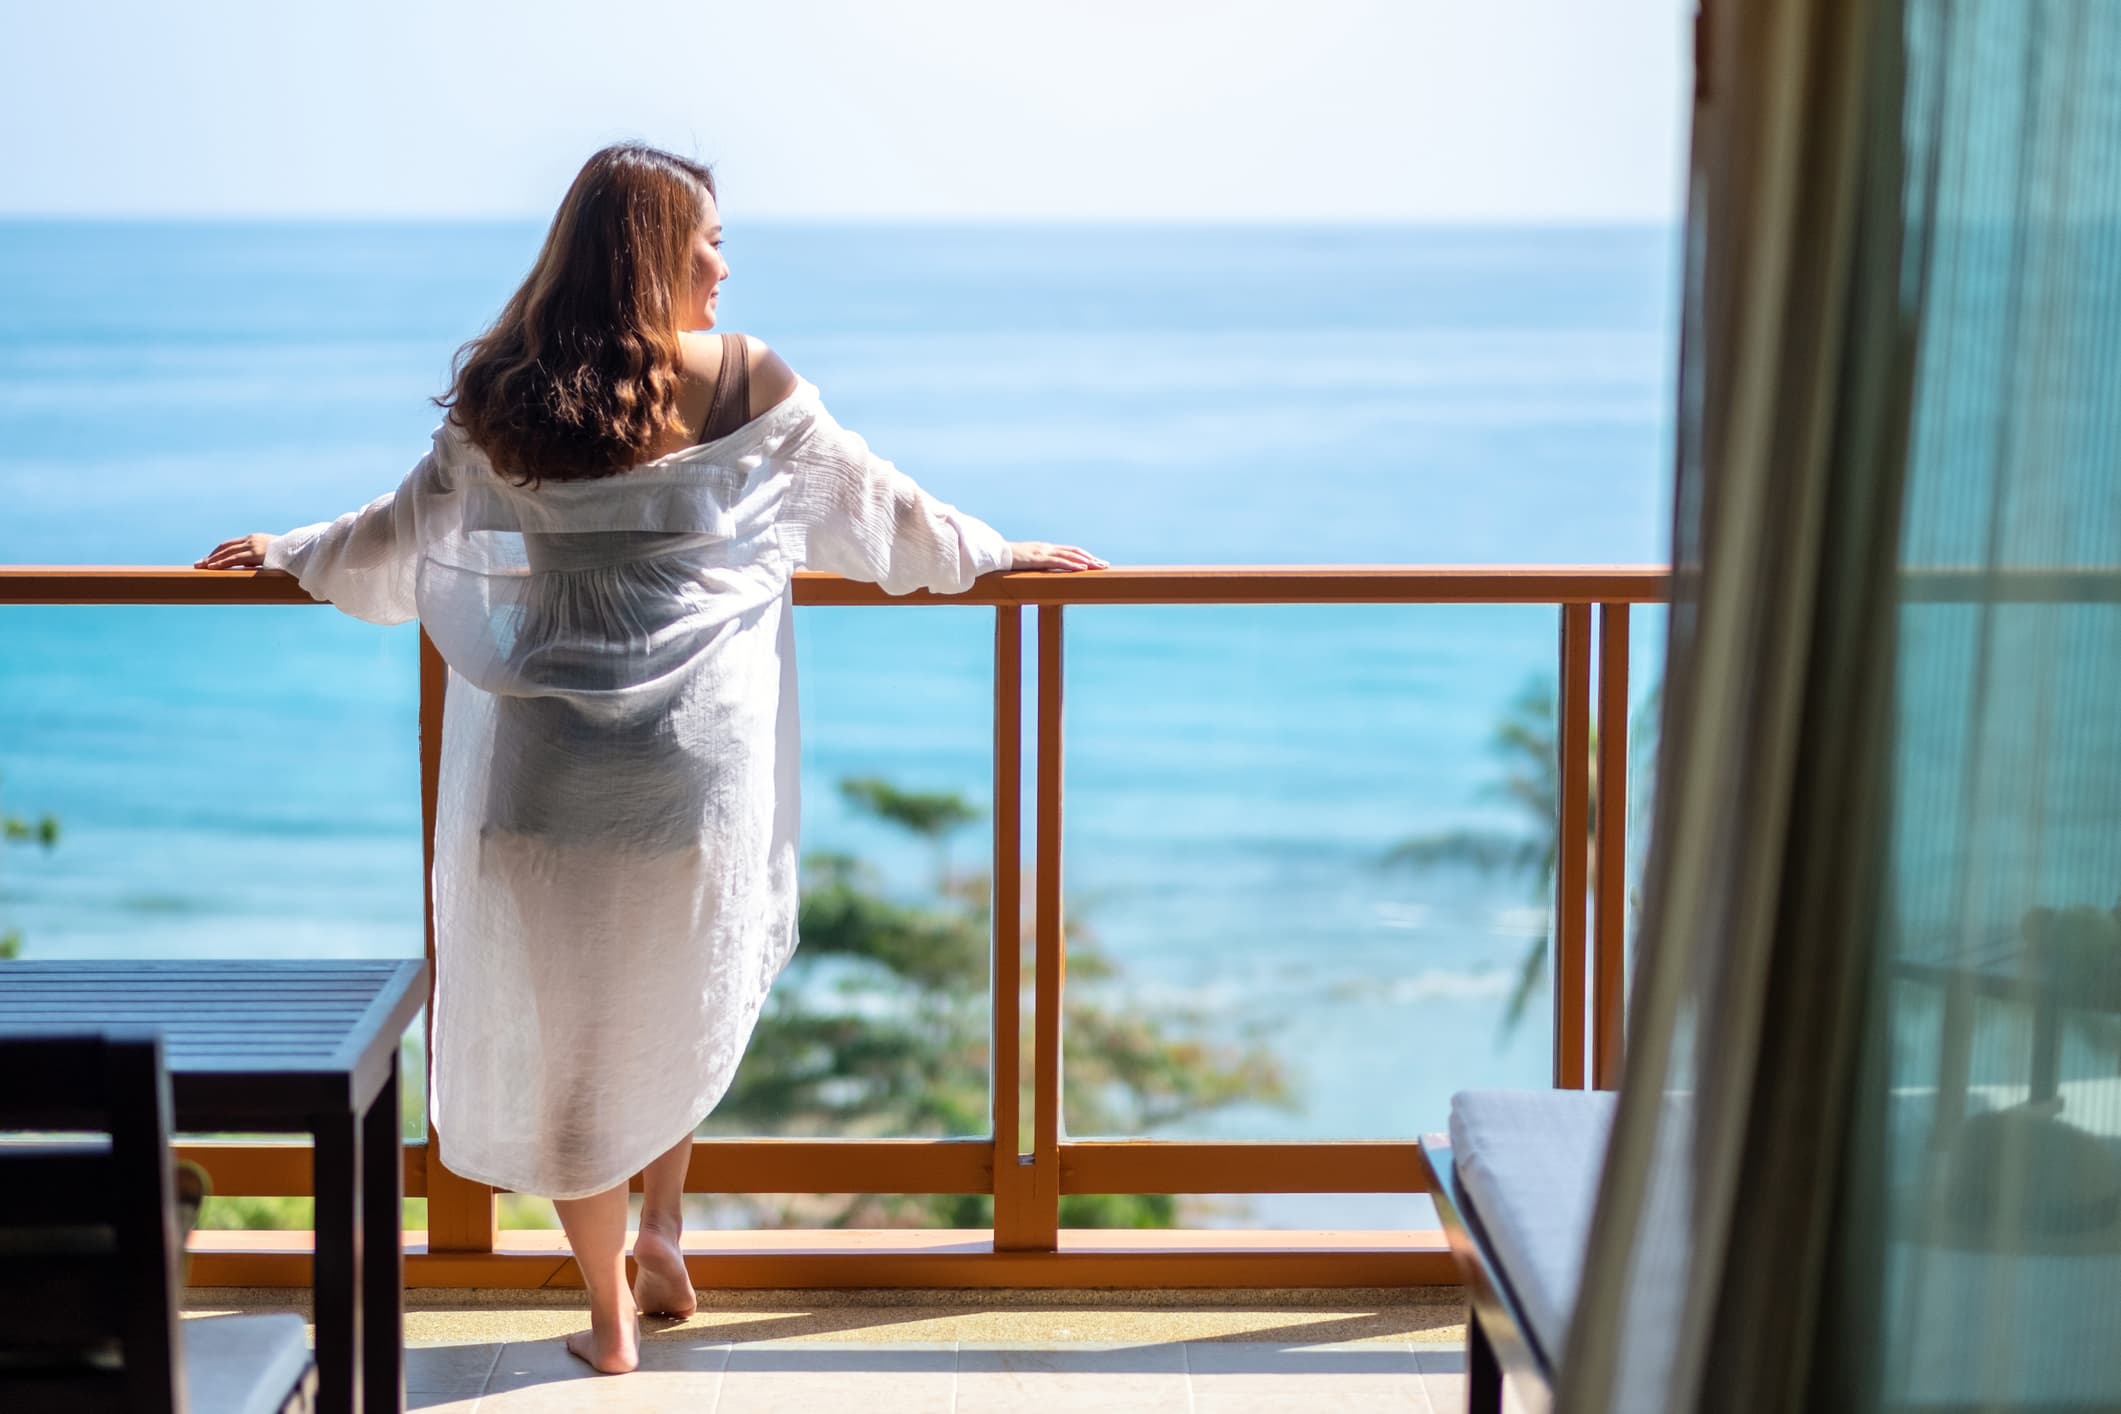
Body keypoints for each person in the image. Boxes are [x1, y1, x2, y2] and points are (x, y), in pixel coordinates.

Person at [196, 142, 1103, 1374]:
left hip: (540, 779)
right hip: (688, 778)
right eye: (705, 244)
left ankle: (615, 1305)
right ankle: (665, 1228)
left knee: (576, 1035)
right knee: (672, 988)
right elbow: (884, 515)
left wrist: (287, 547)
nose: (724, 268)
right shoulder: (748, 382)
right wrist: (995, 554)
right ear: (649, 256)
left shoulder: (504, 394)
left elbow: (394, 538)